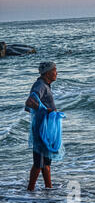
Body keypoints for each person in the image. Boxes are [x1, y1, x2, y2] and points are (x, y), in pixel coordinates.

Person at [24, 62, 58, 191]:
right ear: (48, 73)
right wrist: (44, 110)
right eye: (55, 70)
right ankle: (30, 189)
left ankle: (48, 189)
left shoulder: (45, 85)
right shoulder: (40, 85)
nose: (57, 73)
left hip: (45, 128)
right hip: (41, 129)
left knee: (46, 162)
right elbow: (29, 102)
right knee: (39, 162)